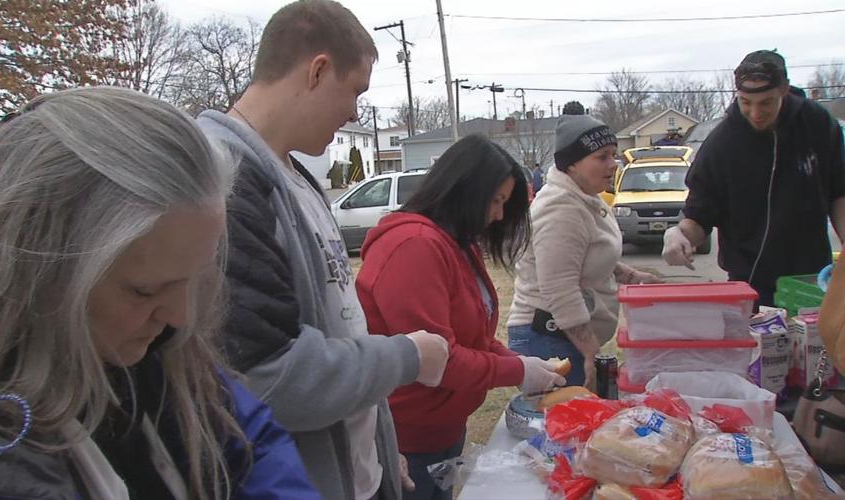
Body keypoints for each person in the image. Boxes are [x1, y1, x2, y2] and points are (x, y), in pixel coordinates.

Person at [0, 87, 318, 499]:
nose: (181, 316)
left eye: (195, 279)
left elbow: (252, 442)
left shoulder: (164, 357)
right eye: (144, 291)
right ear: (37, 274)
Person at [196, 2, 450, 499]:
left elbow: (338, 325)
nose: (355, 111)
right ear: (317, 70)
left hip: (353, 473)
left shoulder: (294, 177)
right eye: (355, 90)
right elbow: (269, 376)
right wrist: (407, 356)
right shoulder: (225, 182)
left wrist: (377, 445)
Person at [355, 135, 567, 500]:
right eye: (496, 201)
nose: (499, 215)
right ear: (464, 190)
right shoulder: (414, 247)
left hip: (445, 427)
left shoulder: (457, 243)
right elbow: (438, 361)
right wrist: (517, 371)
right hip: (409, 438)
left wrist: (518, 361)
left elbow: (475, 337)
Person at [662, 50, 845, 306]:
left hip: (813, 278)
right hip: (749, 284)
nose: (755, 113)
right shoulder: (721, 145)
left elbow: (839, 191)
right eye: (746, 102)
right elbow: (699, 217)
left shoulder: (818, 125)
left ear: (784, 90)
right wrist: (678, 234)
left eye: (765, 103)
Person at [507, 115, 661, 389]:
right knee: (563, 427)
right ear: (572, 164)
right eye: (602, 157)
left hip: (565, 335)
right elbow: (559, 287)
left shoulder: (585, 197)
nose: (613, 165)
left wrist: (630, 275)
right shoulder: (561, 210)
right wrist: (591, 352)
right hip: (547, 336)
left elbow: (587, 253)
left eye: (613, 155)